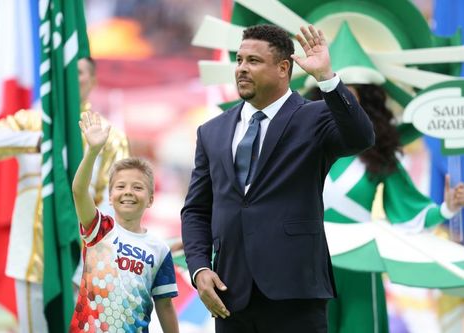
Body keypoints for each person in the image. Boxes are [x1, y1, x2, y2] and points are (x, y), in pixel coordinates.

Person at [181, 23, 375, 333]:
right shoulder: (211, 131)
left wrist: (327, 78)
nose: (242, 69)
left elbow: (361, 137)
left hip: (295, 294)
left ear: (283, 68)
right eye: (240, 60)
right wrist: (200, 269)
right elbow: (196, 210)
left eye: (253, 61)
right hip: (230, 295)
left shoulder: (315, 116)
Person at [0, 57, 129, 333]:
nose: (73, 78)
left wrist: (96, 255)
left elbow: (114, 203)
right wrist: (35, 140)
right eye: (67, 70)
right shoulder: (30, 121)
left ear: (94, 80)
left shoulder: (109, 135)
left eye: (80, 72)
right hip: (31, 253)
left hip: (85, 260)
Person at [306, 84, 464, 333]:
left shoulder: (379, 154)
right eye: (333, 97)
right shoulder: (303, 149)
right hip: (309, 262)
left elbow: (408, 211)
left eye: (349, 97)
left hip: (360, 265)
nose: (341, 103)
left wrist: (447, 208)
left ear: (366, 105)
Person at [70, 110, 179, 333]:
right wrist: (92, 151)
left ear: (150, 199)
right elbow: (79, 190)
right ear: (110, 197)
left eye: (137, 187)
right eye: (120, 186)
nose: (128, 192)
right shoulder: (100, 229)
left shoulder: (159, 249)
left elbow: (165, 306)